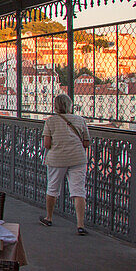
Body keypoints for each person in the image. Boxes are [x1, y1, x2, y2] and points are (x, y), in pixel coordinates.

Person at [41, 93, 91, 234]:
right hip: (78, 158)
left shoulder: (51, 121)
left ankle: (49, 217)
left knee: (53, 188)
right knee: (78, 190)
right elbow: (86, 142)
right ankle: (80, 225)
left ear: (55, 106)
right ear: (70, 106)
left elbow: (47, 144)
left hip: (57, 158)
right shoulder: (80, 120)